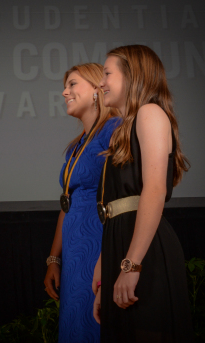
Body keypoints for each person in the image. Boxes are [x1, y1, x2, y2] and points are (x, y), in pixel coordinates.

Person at [92, 45, 194, 342]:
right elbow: (113, 207)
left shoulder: (149, 113)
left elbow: (155, 189)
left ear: (132, 76)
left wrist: (131, 265)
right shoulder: (123, 129)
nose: (101, 82)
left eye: (107, 74)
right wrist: (104, 273)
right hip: (122, 244)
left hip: (143, 251)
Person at [44, 63, 120, 343]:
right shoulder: (76, 146)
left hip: (101, 244)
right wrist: (54, 259)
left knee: (97, 325)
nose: (65, 92)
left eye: (72, 84)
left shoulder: (115, 130)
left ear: (97, 89)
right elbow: (68, 202)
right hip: (74, 254)